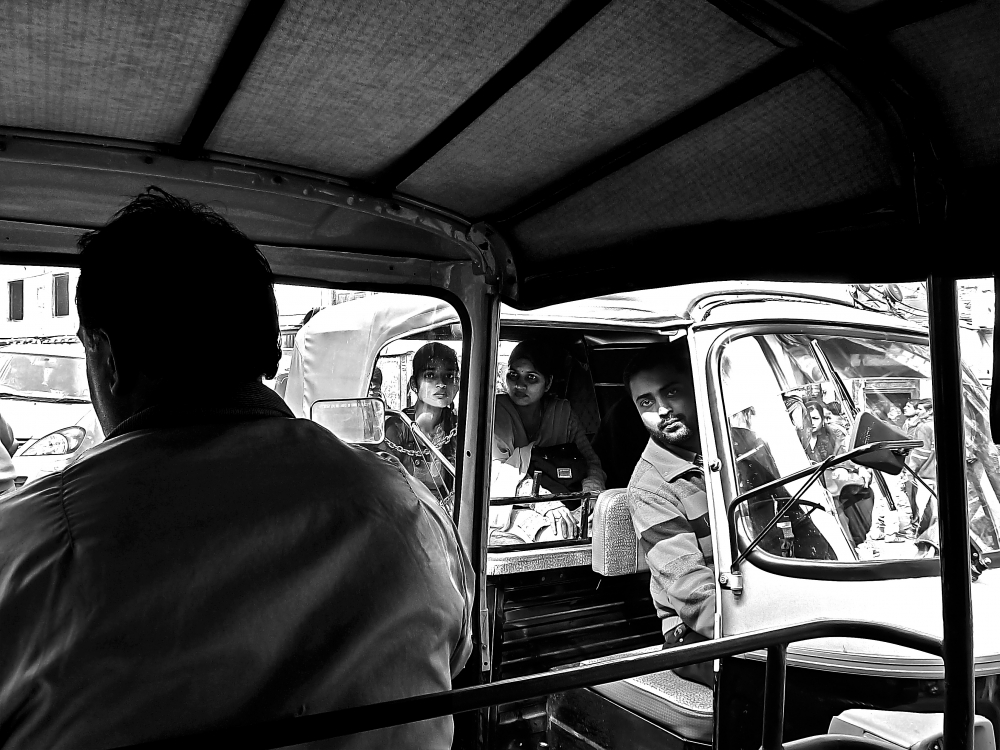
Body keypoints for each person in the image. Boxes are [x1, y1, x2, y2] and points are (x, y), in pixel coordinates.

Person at [0, 188, 473, 750]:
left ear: (104, 355)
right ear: (271, 353)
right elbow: (459, 661)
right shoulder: (410, 510)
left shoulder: (28, 546)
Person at [621, 340, 714, 684]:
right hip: (697, 635)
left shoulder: (742, 447)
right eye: (646, 402)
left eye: (672, 392)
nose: (662, 410)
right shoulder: (650, 487)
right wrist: (767, 627)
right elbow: (693, 594)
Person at [490, 340, 606, 542]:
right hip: (510, 506)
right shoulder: (497, 411)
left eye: (531, 378)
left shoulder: (562, 412)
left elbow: (591, 462)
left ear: (548, 383)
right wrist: (546, 503)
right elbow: (497, 473)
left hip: (566, 499)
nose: (519, 385)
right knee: (554, 534)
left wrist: (592, 494)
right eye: (513, 375)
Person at [383, 343, 460, 511]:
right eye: (430, 375)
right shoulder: (397, 427)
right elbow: (384, 486)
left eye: (449, 376)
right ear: (413, 384)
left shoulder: (458, 427)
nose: (441, 383)